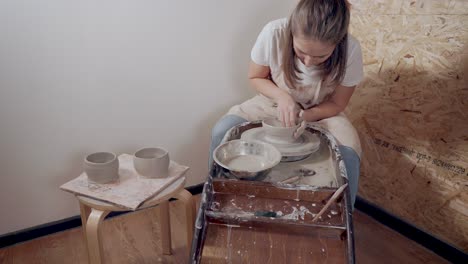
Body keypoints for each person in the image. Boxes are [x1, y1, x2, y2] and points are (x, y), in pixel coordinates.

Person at [209, 0, 363, 207]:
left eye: (321, 56)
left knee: (349, 154)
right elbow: (256, 77)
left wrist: (308, 116)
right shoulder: (274, 32)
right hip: (271, 101)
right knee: (223, 130)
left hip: (323, 111)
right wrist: (283, 97)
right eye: (301, 52)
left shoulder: (351, 49)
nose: (308, 61)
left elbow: (337, 104)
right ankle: (217, 202)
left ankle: (340, 221)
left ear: (338, 41)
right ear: (292, 32)